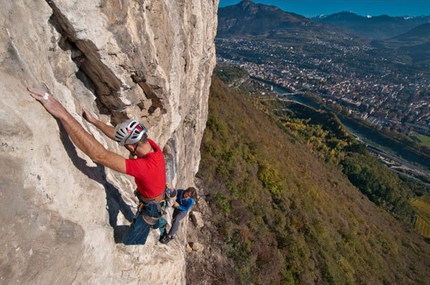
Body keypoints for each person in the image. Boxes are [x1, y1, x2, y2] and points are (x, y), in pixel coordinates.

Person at [27, 87, 166, 245]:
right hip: (156, 197)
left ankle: (159, 224)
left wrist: (63, 114)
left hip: (151, 207)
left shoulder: (145, 166)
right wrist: (94, 122)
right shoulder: (151, 147)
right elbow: (119, 136)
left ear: (131, 146)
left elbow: (99, 155)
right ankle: (160, 222)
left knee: (130, 239)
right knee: (155, 217)